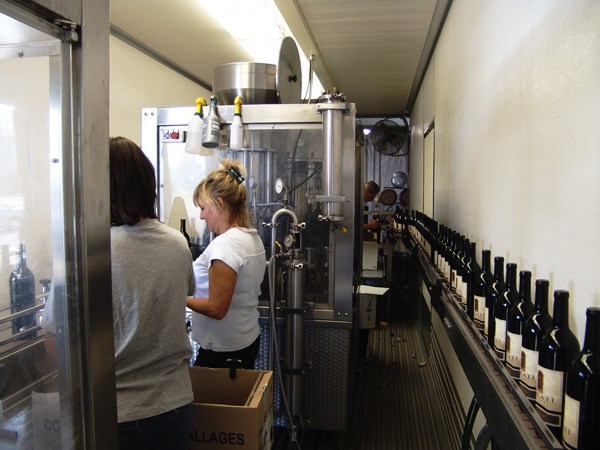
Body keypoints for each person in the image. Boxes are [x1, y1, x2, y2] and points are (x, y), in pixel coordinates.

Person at [43, 137, 196, 449]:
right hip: (175, 408)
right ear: (147, 184)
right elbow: (183, 297)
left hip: (114, 414)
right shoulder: (178, 243)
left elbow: (55, 342)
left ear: (100, 188)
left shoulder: (88, 254)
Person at [187, 159, 266, 370]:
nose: (201, 216)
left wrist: (179, 298)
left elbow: (216, 308)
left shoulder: (226, 245)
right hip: (243, 342)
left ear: (220, 204)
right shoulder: (252, 237)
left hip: (222, 352)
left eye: (203, 208)